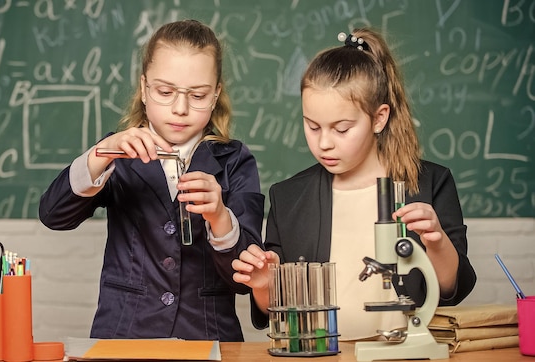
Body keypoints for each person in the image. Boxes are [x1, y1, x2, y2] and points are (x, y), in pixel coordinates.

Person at [231, 28, 476, 341]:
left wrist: (437, 240)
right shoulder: (288, 197)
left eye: (342, 129)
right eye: (312, 126)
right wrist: (265, 285)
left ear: (379, 118)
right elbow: (271, 312)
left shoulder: (430, 184)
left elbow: (450, 288)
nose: (324, 143)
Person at [39, 19, 264, 342]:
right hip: (124, 334)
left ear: (215, 96)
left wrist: (219, 218)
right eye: (165, 91)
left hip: (208, 337)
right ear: (144, 89)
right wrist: (101, 154)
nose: (180, 109)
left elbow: (244, 281)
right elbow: (53, 215)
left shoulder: (234, 160)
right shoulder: (116, 152)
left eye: (198, 95)